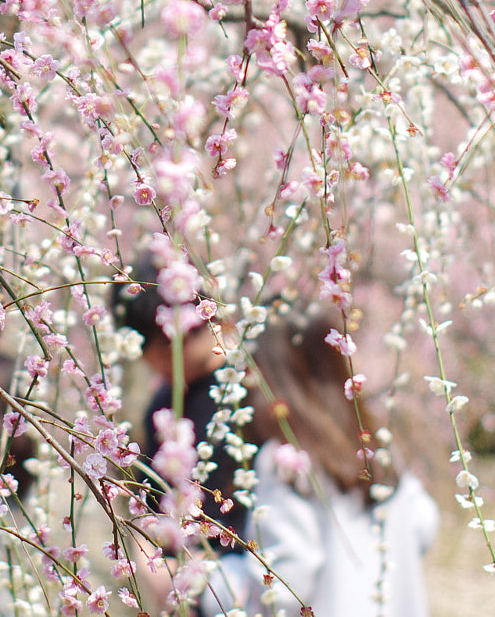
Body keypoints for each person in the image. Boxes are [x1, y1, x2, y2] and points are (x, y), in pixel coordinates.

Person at [233, 315, 439, 617]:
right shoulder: (381, 448)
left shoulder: (287, 462)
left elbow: (281, 588)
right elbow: (425, 524)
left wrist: (218, 583)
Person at [111, 255, 253, 612]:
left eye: (164, 345)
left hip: (251, 581)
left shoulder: (254, 384)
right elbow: (155, 508)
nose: (158, 362)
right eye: (148, 351)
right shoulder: (163, 407)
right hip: (193, 592)